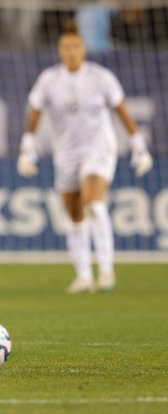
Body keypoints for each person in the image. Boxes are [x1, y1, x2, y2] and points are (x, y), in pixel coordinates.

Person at [17, 21, 153, 294]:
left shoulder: (101, 77)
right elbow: (34, 112)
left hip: (99, 148)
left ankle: (106, 270)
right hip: (66, 153)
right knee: (75, 216)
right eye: (66, 47)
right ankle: (83, 277)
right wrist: (27, 147)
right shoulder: (49, 79)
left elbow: (122, 111)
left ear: (84, 50)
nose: (71, 52)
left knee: (94, 204)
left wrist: (139, 146)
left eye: (75, 47)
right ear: (59, 51)